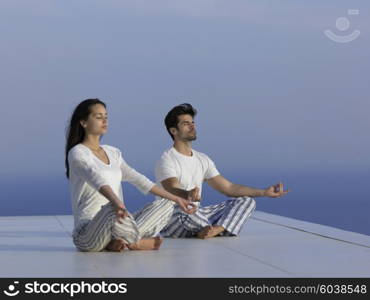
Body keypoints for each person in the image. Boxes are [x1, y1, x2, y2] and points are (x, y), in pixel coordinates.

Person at [65, 99, 196, 252]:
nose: (104, 120)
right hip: (87, 233)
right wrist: (116, 202)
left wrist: (177, 199)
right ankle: (135, 243)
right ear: (84, 122)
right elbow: (95, 178)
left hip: (118, 225)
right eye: (98, 117)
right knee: (112, 209)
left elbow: (139, 179)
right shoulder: (77, 153)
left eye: (106, 116)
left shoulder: (113, 153)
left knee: (166, 203)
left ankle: (118, 241)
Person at [156, 103, 290, 239]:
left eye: (193, 122)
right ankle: (210, 228)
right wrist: (188, 194)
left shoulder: (202, 159)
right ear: (173, 131)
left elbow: (229, 188)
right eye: (186, 123)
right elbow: (171, 188)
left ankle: (215, 230)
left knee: (246, 201)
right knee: (183, 208)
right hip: (174, 218)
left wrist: (264, 192)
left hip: (196, 215)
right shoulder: (167, 159)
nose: (192, 126)